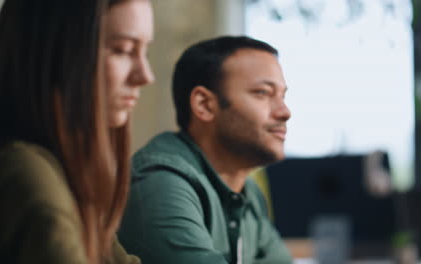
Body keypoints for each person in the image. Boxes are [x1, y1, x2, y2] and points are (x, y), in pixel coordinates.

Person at [0, 0, 154, 263]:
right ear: (54, 53)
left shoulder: (69, 175)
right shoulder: (28, 174)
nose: (145, 75)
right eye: (122, 50)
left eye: (144, 50)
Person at [119, 36, 293, 264]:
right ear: (204, 105)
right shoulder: (158, 180)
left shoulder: (248, 192)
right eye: (262, 93)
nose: (285, 112)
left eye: (282, 96)